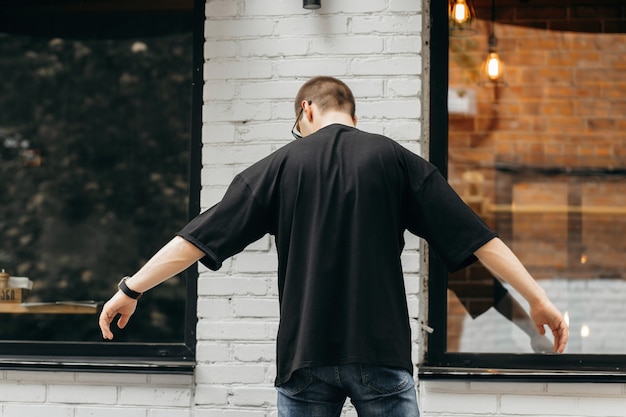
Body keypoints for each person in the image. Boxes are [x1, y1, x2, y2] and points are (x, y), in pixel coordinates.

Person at [99, 76, 568, 417]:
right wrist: (537, 299)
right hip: (380, 352)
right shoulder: (395, 160)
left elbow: (199, 237)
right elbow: (476, 237)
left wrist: (131, 288)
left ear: (306, 110)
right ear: (353, 115)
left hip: (305, 355)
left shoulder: (280, 166)